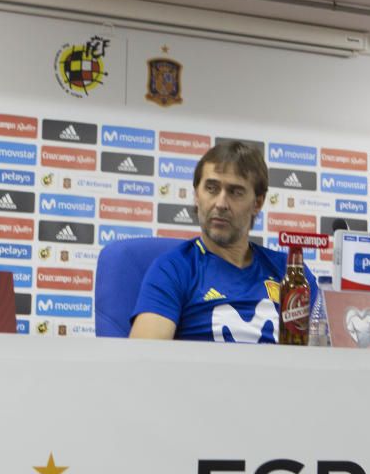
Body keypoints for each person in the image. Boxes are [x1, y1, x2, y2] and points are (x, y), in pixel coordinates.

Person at [129, 141, 316, 343]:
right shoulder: (173, 269)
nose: (220, 204)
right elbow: (144, 360)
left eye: (236, 192)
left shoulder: (290, 271)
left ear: (258, 203)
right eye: (211, 188)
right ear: (196, 195)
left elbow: (329, 349)